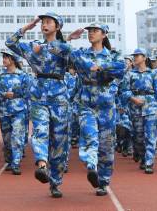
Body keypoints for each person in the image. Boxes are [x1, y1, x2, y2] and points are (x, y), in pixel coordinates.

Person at [51, 22, 126, 196]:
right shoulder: (81, 54)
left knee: (106, 145)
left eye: (95, 31)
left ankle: (103, 181)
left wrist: (102, 67)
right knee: (89, 135)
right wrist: (69, 38)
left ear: (104, 34)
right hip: (86, 103)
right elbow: (58, 50)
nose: (91, 33)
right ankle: (91, 166)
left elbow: (122, 68)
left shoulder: (113, 55)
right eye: (89, 31)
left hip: (106, 104)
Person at [5, 12, 70, 198]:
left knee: (59, 142)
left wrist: (48, 49)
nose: (44, 24)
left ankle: (55, 182)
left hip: (59, 97)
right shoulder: (33, 47)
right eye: (43, 22)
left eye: (49, 22)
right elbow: (10, 43)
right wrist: (27, 27)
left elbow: (68, 52)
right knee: (40, 131)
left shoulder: (62, 47)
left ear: (57, 27)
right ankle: (41, 164)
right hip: (39, 95)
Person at [121, 48, 157, 174]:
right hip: (135, 108)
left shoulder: (153, 74)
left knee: (151, 135)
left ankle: (149, 162)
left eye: (138, 56)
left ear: (144, 58)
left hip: (151, 105)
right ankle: (142, 156)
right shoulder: (130, 74)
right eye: (134, 56)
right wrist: (133, 99)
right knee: (138, 136)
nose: (135, 58)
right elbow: (124, 91)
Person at [0, 50, 31, 175]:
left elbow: (29, 91)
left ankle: (16, 163)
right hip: (4, 110)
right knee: (7, 138)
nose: (4, 60)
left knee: (17, 137)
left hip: (19, 110)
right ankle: (9, 160)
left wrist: (16, 94)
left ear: (13, 60)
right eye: (3, 57)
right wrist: (3, 94)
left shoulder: (23, 76)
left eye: (6, 57)